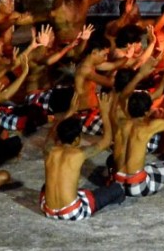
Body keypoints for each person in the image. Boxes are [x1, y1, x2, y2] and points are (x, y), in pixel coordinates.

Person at [40, 92, 125, 220]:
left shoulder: (49, 149)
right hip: (73, 213)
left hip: (48, 211)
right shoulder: (79, 153)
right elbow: (107, 140)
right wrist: (105, 113)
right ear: (77, 140)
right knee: (117, 189)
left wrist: (70, 111)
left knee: (47, 186)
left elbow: (53, 131)